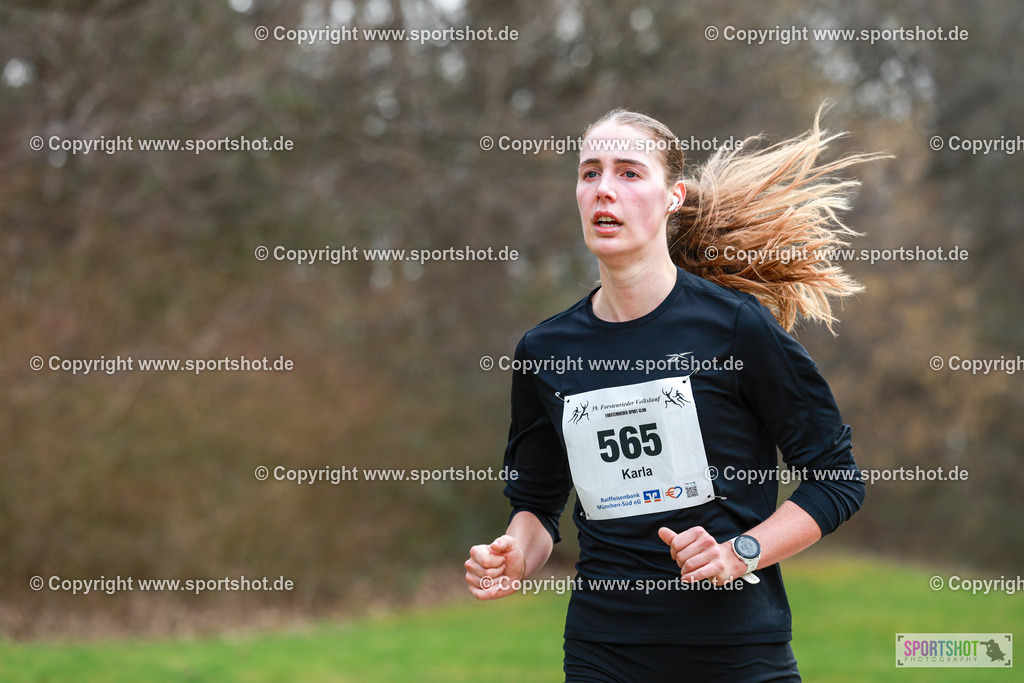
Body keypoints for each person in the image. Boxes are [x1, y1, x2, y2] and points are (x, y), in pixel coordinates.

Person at [465, 107, 882, 681]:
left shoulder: (735, 328)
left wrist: (739, 553)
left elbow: (836, 478)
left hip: (737, 653)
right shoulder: (546, 350)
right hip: (603, 652)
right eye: (590, 172)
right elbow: (536, 507)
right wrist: (514, 555)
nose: (604, 189)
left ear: (673, 197)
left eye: (629, 173)